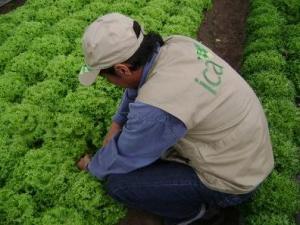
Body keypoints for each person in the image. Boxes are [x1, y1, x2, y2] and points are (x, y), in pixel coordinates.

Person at [77, 13, 274, 225]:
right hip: (248, 155)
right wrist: (117, 124)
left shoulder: (156, 108)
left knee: (118, 184)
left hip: (231, 182)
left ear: (122, 69)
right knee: (153, 148)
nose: (110, 83)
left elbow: (125, 156)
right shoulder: (176, 45)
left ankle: (193, 213)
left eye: (106, 79)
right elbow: (136, 87)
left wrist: (93, 166)